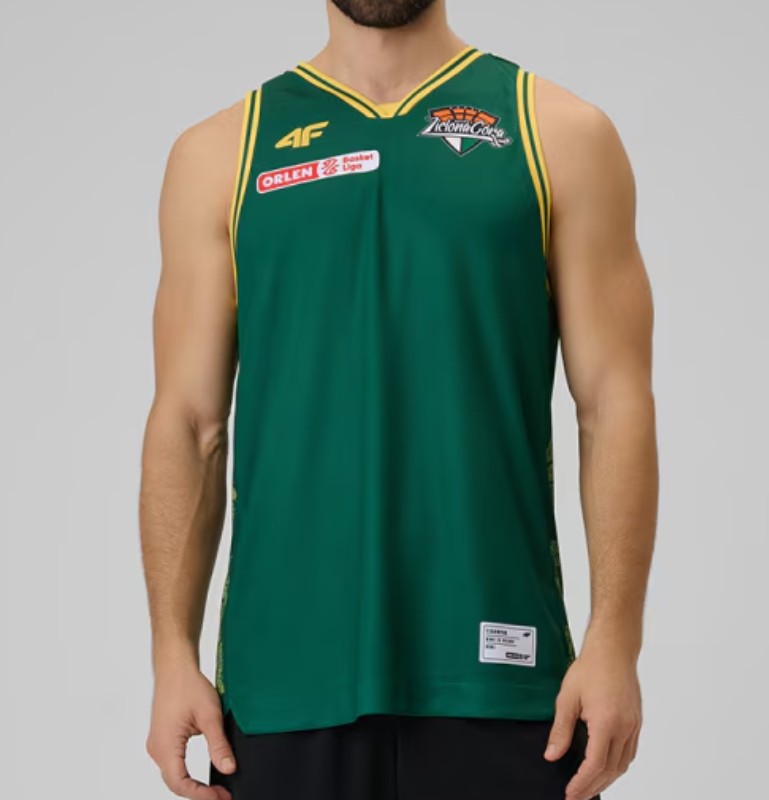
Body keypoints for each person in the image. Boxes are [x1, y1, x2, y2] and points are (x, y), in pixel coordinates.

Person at [139, 1, 658, 798]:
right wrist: (171, 655)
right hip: (284, 682)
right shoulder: (221, 152)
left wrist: (614, 642)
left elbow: (612, 402)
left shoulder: (556, 132)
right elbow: (188, 422)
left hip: (501, 674)